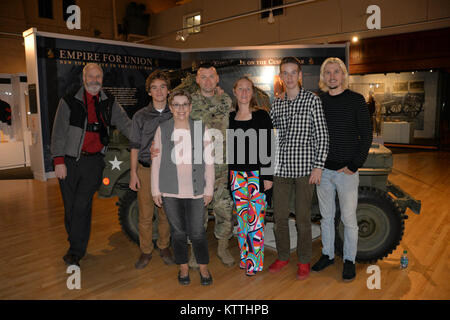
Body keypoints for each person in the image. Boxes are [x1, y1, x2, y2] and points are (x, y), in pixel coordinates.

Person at [51, 63, 131, 267]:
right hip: (69, 162)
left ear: (102, 80)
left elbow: (126, 125)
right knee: (70, 208)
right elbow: (58, 133)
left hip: (94, 162)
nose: (95, 80)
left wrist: (149, 138)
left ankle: (75, 251)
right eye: (91, 76)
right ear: (84, 78)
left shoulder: (109, 103)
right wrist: (59, 161)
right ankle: (75, 243)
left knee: (82, 205)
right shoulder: (69, 101)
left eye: (98, 77)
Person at [269, 56, 329, 280]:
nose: (290, 77)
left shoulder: (312, 101)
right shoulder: (277, 103)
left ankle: (304, 260)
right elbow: (272, 136)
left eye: (294, 72)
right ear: (281, 77)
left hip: (305, 170)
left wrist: (319, 166)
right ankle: (283, 255)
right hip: (281, 170)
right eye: (286, 73)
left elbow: (322, 135)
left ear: (300, 75)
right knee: (280, 217)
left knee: (303, 220)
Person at [313, 57, 372, 282]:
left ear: (343, 75)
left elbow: (366, 135)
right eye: (327, 72)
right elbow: (314, 135)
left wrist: (354, 164)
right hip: (324, 171)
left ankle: (349, 260)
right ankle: (327, 254)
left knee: (348, 219)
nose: (332, 76)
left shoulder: (356, 100)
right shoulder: (318, 101)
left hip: (347, 171)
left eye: (336, 72)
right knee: (326, 217)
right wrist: (316, 166)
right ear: (323, 77)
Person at [151, 89, 215, 285]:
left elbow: (209, 161)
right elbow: (157, 160)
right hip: (170, 191)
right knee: (177, 232)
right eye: (176, 105)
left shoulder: (199, 128)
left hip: (196, 191)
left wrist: (209, 189)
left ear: (190, 107)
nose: (181, 108)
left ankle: (203, 266)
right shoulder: (163, 128)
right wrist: (155, 190)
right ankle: (183, 266)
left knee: (197, 232)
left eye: (184, 104)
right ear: (170, 107)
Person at [186, 63, 235, 268]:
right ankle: (195, 252)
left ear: (217, 80)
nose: (207, 81)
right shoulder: (188, 103)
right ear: (197, 80)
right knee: (197, 214)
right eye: (202, 77)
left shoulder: (226, 100)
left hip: (222, 170)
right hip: (197, 170)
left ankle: (223, 248)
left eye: (211, 77)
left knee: (225, 211)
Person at [227, 76, 273, 276]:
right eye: (241, 89)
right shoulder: (229, 118)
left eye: (248, 89)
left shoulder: (262, 116)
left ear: (252, 93)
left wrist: (268, 176)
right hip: (236, 176)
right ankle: (245, 258)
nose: (244, 93)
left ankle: (255, 263)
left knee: (256, 221)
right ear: (235, 92)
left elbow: (269, 148)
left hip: (256, 176)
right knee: (242, 221)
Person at [128, 70, 174, 269]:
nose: (159, 91)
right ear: (149, 92)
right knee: (145, 213)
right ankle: (146, 251)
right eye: (154, 88)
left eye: (162, 87)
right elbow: (134, 146)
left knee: (166, 212)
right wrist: (133, 173)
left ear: (168, 90)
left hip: (169, 171)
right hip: (146, 170)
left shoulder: (176, 113)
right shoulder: (140, 116)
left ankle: (164, 246)